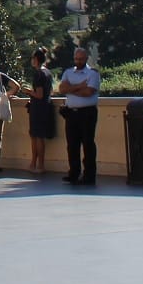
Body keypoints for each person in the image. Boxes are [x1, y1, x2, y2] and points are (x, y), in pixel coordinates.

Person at [57, 46, 101, 186]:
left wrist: (71, 89)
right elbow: (62, 89)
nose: (78, 61)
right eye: (76, 59)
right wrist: (79, 86)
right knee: (72, 145)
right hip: (71, 113)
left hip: (87, 113)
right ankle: (74, 173)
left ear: (86, 58)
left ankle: (89, 175)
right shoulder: (68, 72)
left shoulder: (92, 74)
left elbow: (89, 92)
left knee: (88, 144)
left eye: (81, 59)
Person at [24, 47, 57, 175]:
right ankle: (37, 164)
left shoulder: (38, 74)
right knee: (39, 136)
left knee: (36, 137)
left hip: (38, 108)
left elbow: (39, 94)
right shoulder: (47, 72)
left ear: (36, 59)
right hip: (46, 106)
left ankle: (37, 164)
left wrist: (28, 91)